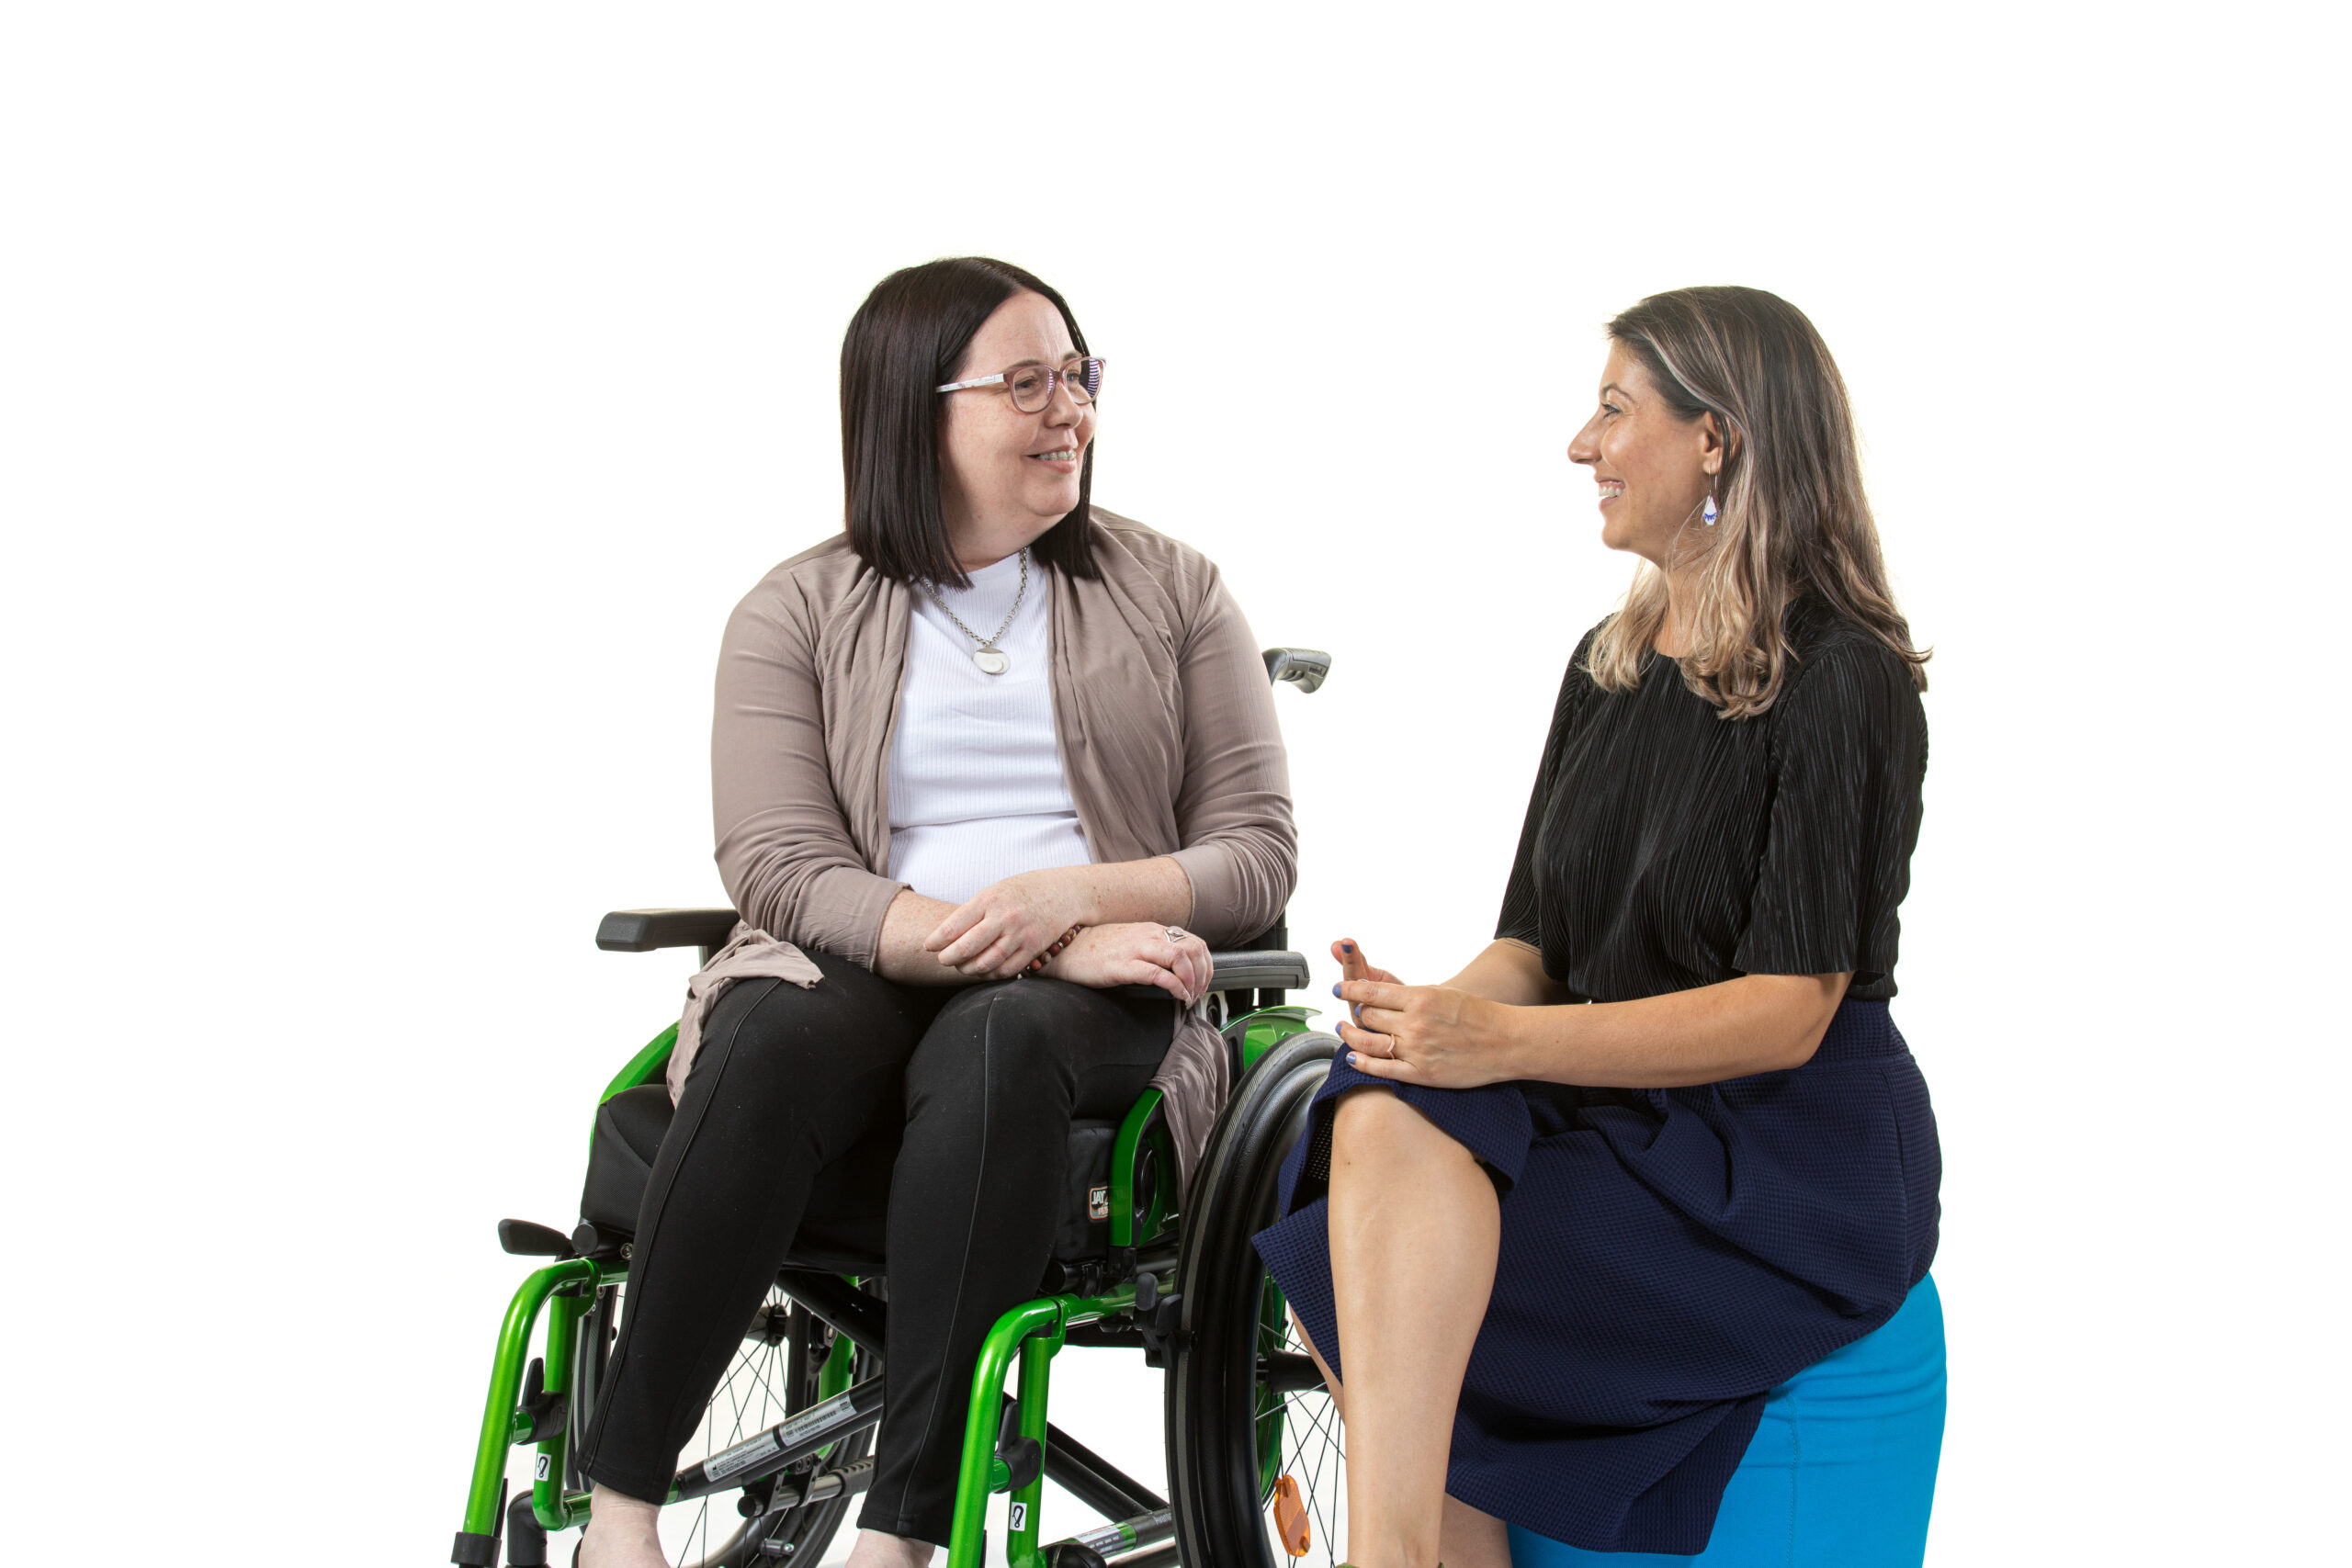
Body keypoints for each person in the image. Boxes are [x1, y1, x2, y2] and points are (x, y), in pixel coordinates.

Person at [576, 256, 1295, 1568]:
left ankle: (900, 1534)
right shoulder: (793, 609)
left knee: (997, 1039)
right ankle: (619, 1512)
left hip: (1095, 999)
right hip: (870, 952)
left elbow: (1255, 855)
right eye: (1027, 382)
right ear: (915, 411)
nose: (1068, 408)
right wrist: (1008, 932)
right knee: (768, 1031)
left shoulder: (1177, 590)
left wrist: (1075, 908)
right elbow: (781, 864)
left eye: (1078, 375)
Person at [1252, 287, 1940, 1567]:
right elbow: (1538, 951)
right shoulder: (1605, 665)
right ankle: (1396, 1555)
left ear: (1717, 440)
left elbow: (1787, 1012)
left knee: (1375, 1233)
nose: (1584, 445)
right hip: (1618, 1118)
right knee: (1360, 1115)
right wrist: (1429, 1019)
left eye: (1616, 410)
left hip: (1778, 1163)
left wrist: (1496, 1048)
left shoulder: (1841, 678)